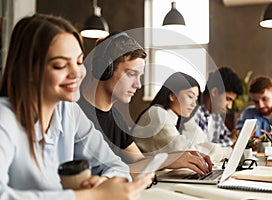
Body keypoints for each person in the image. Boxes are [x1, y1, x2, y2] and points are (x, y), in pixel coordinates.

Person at [0, 14, 153, 200]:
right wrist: (92, 195)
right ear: (28, 70)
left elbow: (116, 165)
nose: (77, 73)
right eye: (60, 65)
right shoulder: (4, 119)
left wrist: (105, 182)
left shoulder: (68, 110)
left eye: (79, 62)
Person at [79, 32, 212, 176]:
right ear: (105, 69)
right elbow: (100, 174)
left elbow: (138, 161)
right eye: (131, 74)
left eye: (139, 76)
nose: (138, 85)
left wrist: (177, 157)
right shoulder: (76, 115)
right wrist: (166, 160)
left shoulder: (116, 118)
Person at [132, 72, 208, 153]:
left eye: (196, 99)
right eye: (190, 96)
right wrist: (217, 151)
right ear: (172, 96)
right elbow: (186, 152)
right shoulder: (158, 113)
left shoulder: (178, 118)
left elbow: (201, 141)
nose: (194, 104)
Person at [193, 67, 243, 147]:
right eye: (228, 99)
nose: (230, 106)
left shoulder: (215, 117)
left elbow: (227, 137)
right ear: (214, 92)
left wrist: (237, 136)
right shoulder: (194, 114)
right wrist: (231, 140)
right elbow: (201, 148)